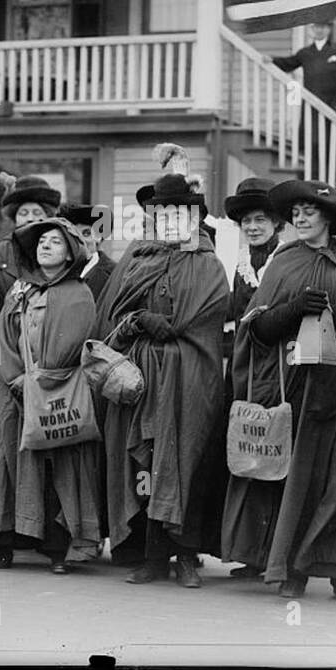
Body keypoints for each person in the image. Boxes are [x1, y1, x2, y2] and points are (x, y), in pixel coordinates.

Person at [221, 180, 336, 603]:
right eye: (295, 213)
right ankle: (291, 570)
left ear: (328, 218)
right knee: (296, 481)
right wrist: (292, 311)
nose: (300, 219)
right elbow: (255, 328)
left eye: (308, 212)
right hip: (292, 388)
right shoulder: (283, 263)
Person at [95, 173, 230, 588]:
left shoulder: (208, 263)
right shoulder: (138, 258)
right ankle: (151, 556)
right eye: (162, 214)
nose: (170, 221)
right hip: (141, 379)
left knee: (186, 460)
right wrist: (138, 319)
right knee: (145, 465)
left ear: (193, 218)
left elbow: (203, 318)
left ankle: (185, 555)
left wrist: (167, 326)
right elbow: (113, 316)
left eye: (179, 213)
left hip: (190, 377)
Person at [0, 217, 103, 573]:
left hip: (55, 394)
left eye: (55, 241)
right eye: (41, 241)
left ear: (70, 253)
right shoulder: (19, 290)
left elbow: (74, 343)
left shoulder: (78, 294)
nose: (46, 246)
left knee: (57, 469)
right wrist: (14, 378)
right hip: (12, 394)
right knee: (3, 467)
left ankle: (59, 550)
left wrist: (39, 380)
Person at [222, 177, 284, 363]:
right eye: (246, 221)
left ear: (275, 221)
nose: (252, 227)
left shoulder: (286, 259)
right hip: (243, 356)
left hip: (277, 358)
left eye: (260, 219)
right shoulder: (243, 263)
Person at [0, 176, 62, 315]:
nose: (30, 218)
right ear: (15, 218)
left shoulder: (63, 253)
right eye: (23, 213)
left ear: (48, 217)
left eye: (37, 213)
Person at [269, 22, 336, 103]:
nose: (319, 30)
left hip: (332, 102)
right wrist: (272, 60)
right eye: (317, 27)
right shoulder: (305, 53)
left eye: (322, 27)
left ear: (329, 29)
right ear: (312, 29)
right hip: (311, 101)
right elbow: (288, 63)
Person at [60, 202, 117, 301]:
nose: (80, 240)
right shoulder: (57, 270)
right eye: (73, 234)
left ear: (99, 237)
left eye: (86, 233)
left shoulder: (115, 274)